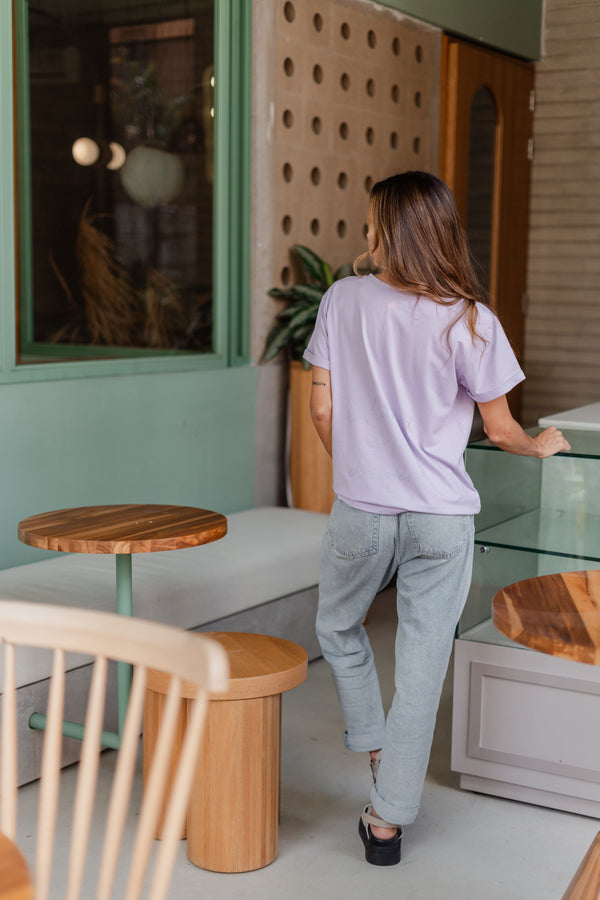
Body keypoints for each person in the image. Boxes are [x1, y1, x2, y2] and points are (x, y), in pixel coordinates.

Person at [303, 171, 570, 867]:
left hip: (363, 510)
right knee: (422, 665)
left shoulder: (342, 299)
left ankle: (374, 745)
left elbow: (323, 410)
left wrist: (361, 469)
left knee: (336, 625)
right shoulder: (471, 318)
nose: (366, 232)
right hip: (442, 520)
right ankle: (388, 822)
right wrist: (541, 445)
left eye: (371, 221)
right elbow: (503, 429)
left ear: (388, 230)